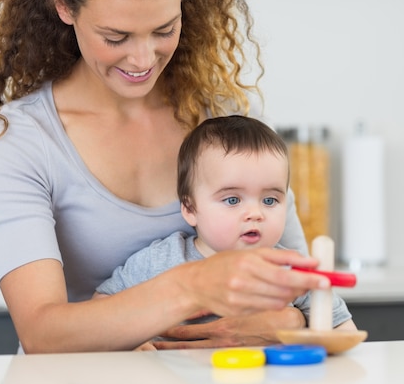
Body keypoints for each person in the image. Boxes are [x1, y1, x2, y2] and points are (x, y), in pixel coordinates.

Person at [0, 0, 357, 354]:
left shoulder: (226, 121)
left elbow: (306, 294)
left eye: (164, 30)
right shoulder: (24, 140)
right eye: (116, 37)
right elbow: (42, 334)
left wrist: (289, 324)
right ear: (63, 1)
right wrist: (192, 287)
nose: (143, 60)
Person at [94, 115, 354, 349]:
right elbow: (101, 309)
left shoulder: (294, 272)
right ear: (190, 208)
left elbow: (344, 334)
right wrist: (132, 344)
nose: (255, 213)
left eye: (270, 200)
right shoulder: (159, 261)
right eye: (232, 200)